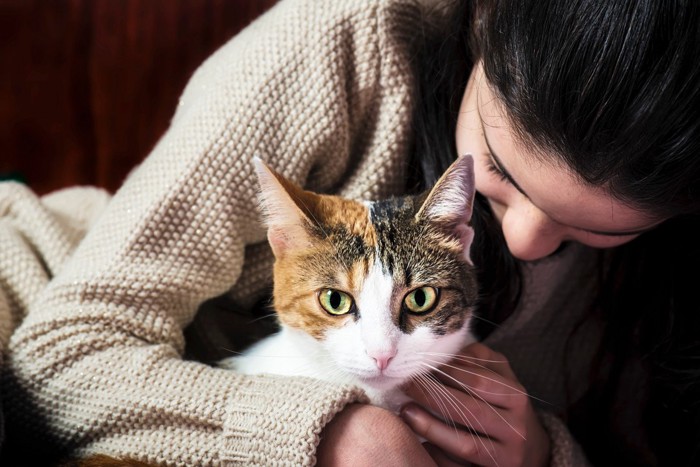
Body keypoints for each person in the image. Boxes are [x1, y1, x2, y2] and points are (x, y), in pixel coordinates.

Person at [1, 0, 698, 465]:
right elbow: (61, 358)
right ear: (482, 19)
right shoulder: (343, 42)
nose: (522, 241)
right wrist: (335, 432)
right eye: (502, 170)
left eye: (588, 228)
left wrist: (544, 455)